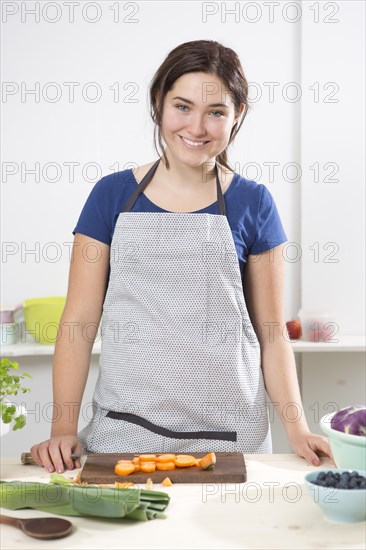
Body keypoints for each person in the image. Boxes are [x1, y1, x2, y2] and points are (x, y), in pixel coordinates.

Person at [31, 40, 333, 473]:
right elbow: (78, 321)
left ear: (237, 115)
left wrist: (298, 428)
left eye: (216, 112)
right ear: (159, 103)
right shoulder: (111, 196)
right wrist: (62, 426)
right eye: (183, 106)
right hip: (122, 434)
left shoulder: (254, 202)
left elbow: (272, 333)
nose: (197, 126)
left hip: (231, 439)